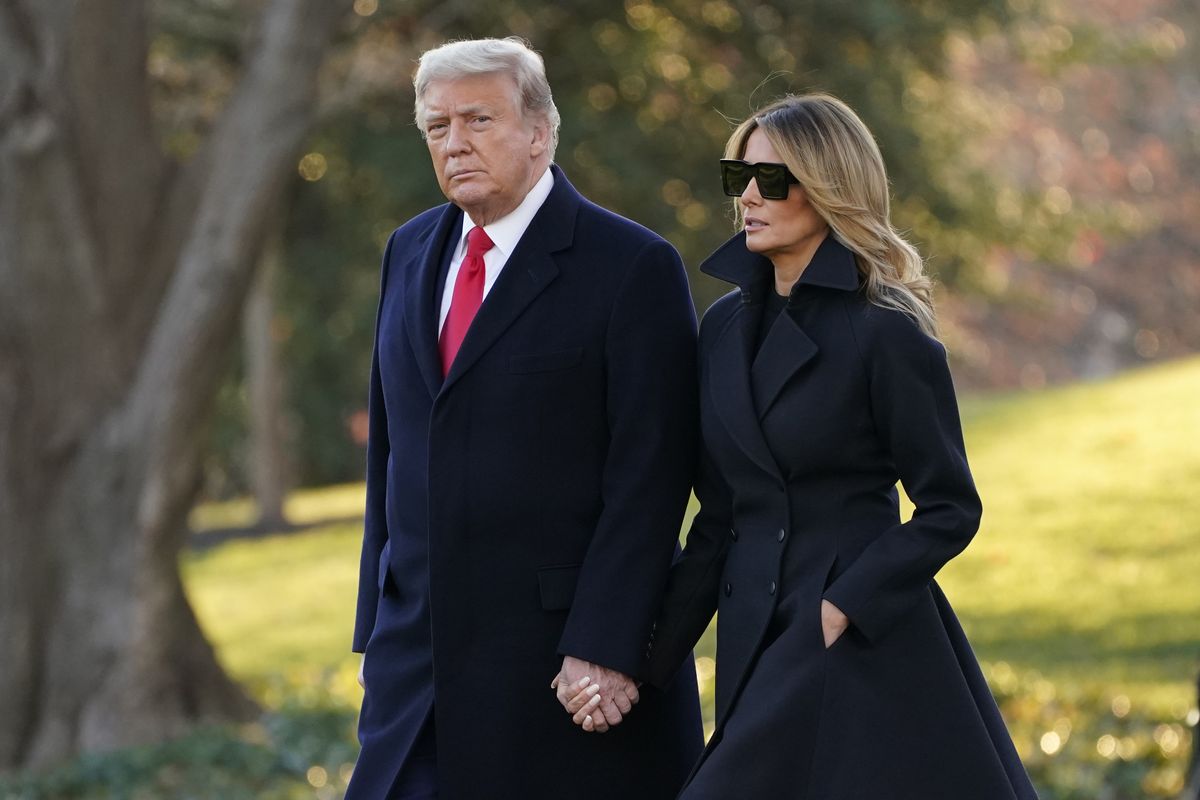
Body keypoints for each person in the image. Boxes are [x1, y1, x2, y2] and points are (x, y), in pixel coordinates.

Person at [583, 94, 1038, 798]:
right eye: (740, 178)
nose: (748, 200)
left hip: (852, 641)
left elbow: (950, 508)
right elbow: (718, 519)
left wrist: (842, 606)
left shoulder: (886, 334)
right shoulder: (724, 327)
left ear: (828, 187)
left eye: (773, 180)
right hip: (752, 637)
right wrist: (641, 661)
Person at [345, 37, 703, 800]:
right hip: (415, 671)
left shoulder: (631, 266)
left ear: (540, 131)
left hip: (564, 673)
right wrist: (378, 626)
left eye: (478, 119)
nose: (455, 142)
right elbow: (396, 453)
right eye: (437, 127)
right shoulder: (407, 252)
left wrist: (606, 646)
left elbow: (652, 477)